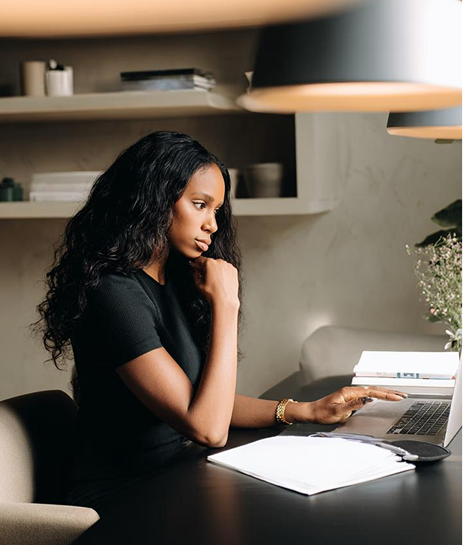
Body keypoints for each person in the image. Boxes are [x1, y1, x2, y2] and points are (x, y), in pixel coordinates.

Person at [33, 130, 406, 512]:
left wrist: (308, 410)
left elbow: (202, 401)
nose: (212, 224)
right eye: (199, 204)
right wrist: (226, 305)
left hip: (175, 475)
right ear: (154, 200)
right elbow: (208, 428)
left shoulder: (175, 279)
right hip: (122, 500)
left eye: (216, 210)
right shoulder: (112, 293)